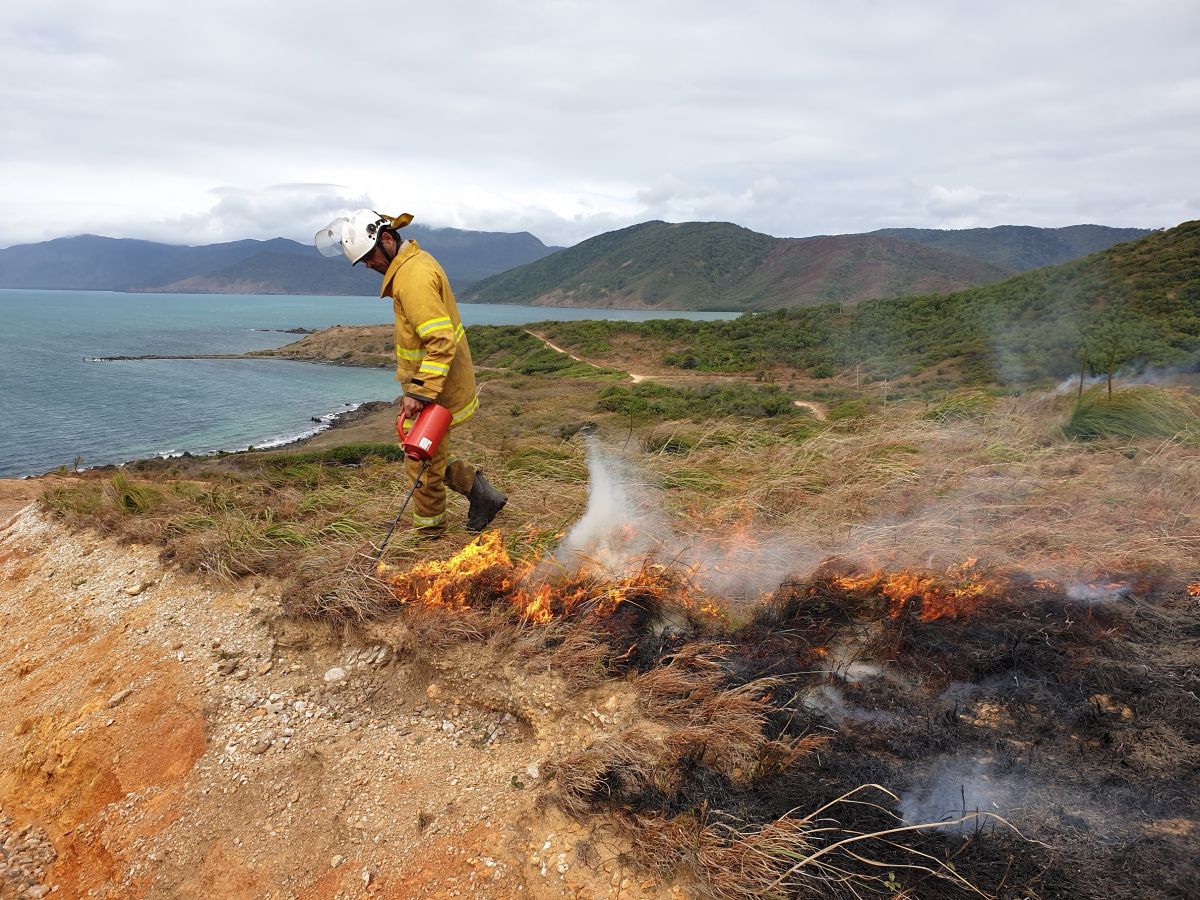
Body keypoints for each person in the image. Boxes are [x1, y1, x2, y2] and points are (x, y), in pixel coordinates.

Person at [315, 209, 506, 537]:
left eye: (369, 256)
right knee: (421, 450)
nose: (367, 265)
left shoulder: (412, 277)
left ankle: (430, 536)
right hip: (435, 386)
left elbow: (440, 340)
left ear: (387, 240)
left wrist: (420, 391)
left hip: (436, 389)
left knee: (422, 464)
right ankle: (480, 493)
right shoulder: (411, 266)